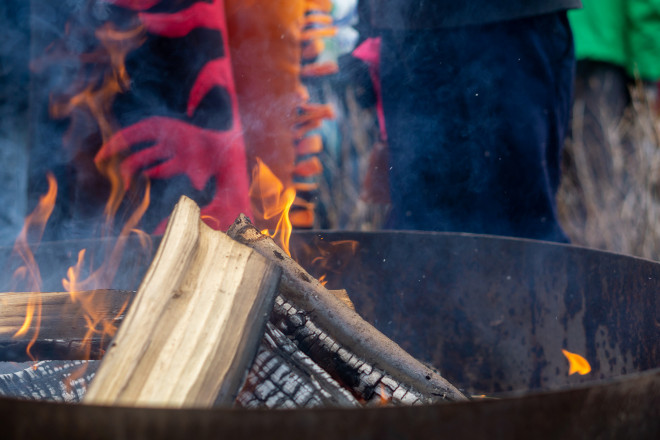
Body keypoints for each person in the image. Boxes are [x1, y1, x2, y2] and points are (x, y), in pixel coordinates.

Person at [357, 1, 582, 242]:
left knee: (522, 222)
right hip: (407, 23)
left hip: (514, 21)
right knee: (420, 234)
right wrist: (365, 24)